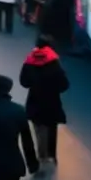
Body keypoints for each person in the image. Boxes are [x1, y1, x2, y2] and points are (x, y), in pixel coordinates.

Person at [19, 35, 69, 170]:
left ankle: (42, 155)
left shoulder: (29, 61)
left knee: (39, 127)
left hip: (35, 100)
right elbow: (64, 85)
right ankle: (52, 155)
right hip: (52, 100)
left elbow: (24, 82)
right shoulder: (54, 62)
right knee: (52, 127)